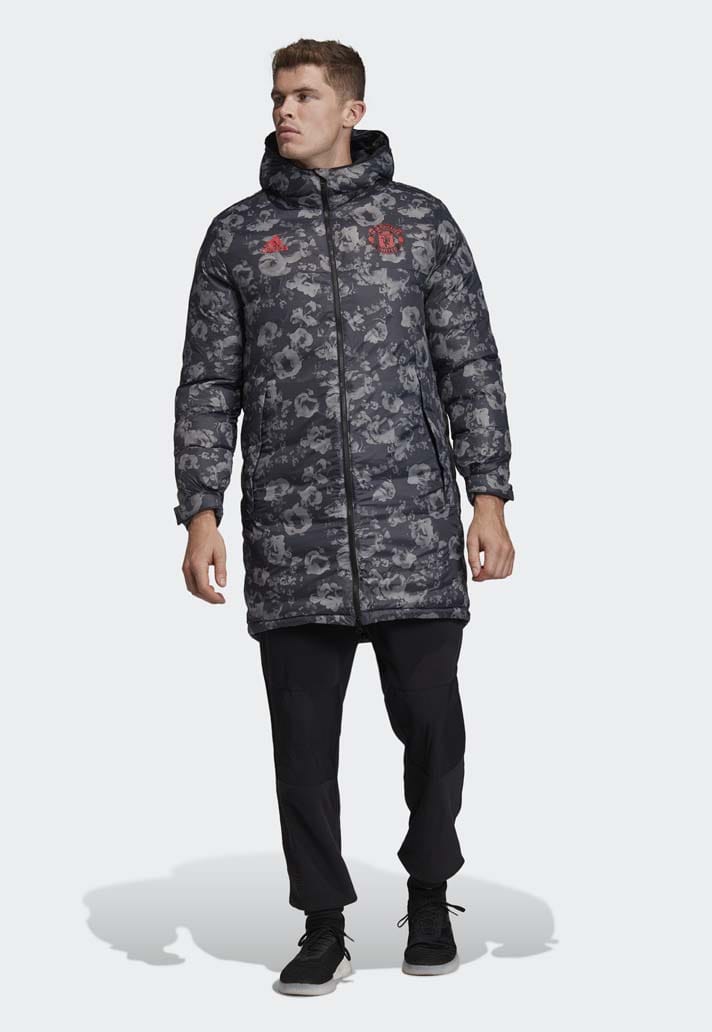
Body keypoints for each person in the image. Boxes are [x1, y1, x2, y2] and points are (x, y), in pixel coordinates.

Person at [173, 38, 515, 995]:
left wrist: (488, 497)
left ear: (352, 110)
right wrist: (200, 510)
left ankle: (429, 892)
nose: (284, 111)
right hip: (293, 537)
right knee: (302, 749)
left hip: (414, 529)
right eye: (278, 97)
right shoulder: (238, 236)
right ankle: (322, 922)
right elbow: (208, 383)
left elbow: (470, 365)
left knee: (434, 731)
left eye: (304, 96)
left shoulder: (420, 222)